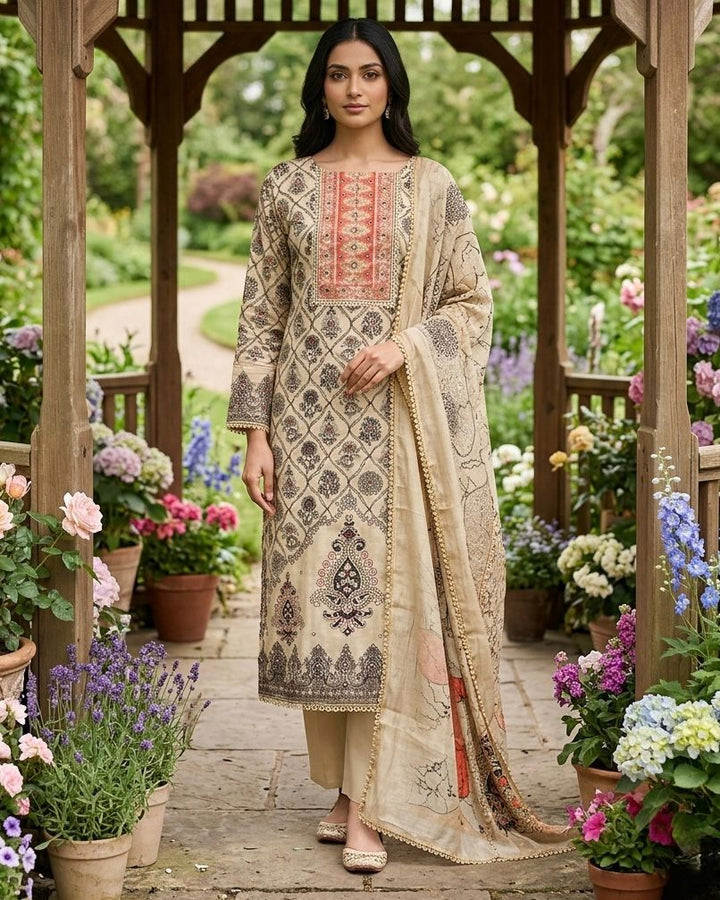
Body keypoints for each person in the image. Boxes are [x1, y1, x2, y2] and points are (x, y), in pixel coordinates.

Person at [227, 18, 567, 874]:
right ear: (321, 86)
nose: (353, 89)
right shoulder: (285, 188)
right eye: (338, 74)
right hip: (308, 429)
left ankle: (378, 805)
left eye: (369, 74)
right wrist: (256, 435)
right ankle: (345, 790)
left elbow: (471, 304)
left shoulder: (432, 186)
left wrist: (403, 346)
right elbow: (262, 316)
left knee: (384, 607)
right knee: (325, 622)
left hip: (398, 432)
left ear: (391, 86)